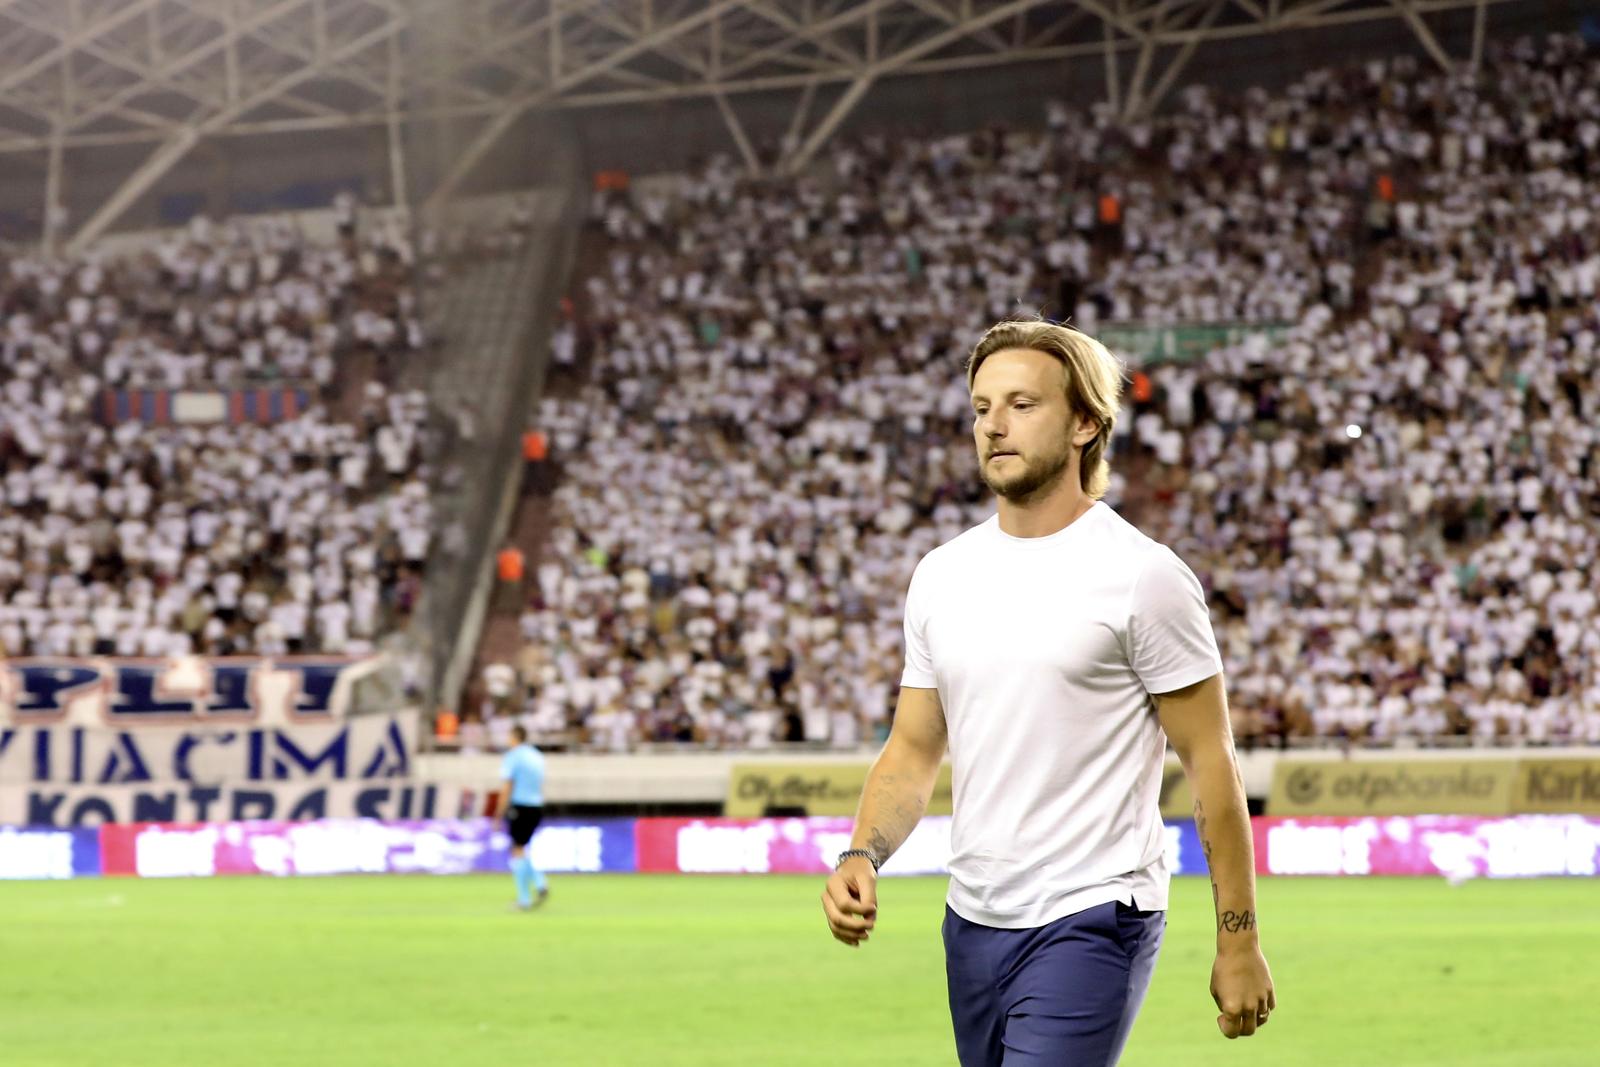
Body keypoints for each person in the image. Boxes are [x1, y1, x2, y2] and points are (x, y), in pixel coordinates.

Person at [820, 320, 1275, 1065]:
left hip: (1093, 914)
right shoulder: (941, 573)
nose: (993, 424)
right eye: (980, 406)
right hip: (971, 918)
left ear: (1085, 423)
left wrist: (1240, 942)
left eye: (1022, 404)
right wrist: (861, 854)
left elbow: (1211, 761)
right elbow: (912, 747)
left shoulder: (1144, 576)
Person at [497, 724, 549, 911]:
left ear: (515, 737)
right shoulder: (537, 756)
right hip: (537, 806)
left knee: (517, 850)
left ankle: (525, 898)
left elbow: (507, 786)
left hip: (520, 805)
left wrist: (498, 812)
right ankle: (539, 882)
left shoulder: (513, 756)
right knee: (522, 848)